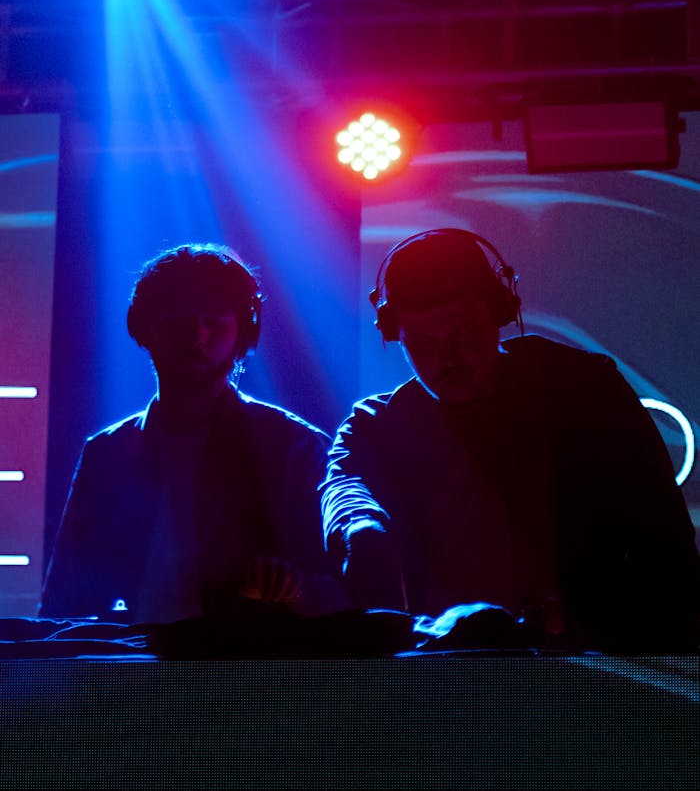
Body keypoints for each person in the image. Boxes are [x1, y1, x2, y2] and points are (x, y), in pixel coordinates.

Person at [321, 228, 700, 652]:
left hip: (596, 666)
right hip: (446, 673)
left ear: (500, 315)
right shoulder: (376, 426)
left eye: (466, 336)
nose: (448, 359)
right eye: (424, 345)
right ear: (397, 336)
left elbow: (666, 538)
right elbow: (345, 488)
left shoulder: (585, 391)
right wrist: (360, 527)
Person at [40, 243, 344, 623]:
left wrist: (294, 589)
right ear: (145, 328)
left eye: (214, 322)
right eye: (178, 322)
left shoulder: (291, 446)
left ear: (243, 331)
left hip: (250, 659)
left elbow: (340, 588)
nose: (197, 337)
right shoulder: (107, 454)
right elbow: (63, 602)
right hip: (132, 659)